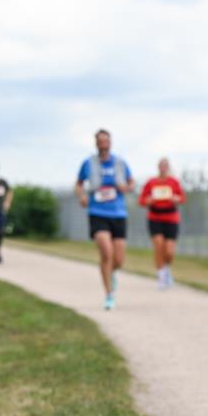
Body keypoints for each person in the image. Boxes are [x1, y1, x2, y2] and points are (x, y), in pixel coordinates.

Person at [75, 129, 134, 310]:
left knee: (119, 259)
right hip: (97, 212)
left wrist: (125, 187)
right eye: (100, 141)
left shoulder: (120, 162)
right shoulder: (88, 163)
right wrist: (82, 196)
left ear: (110, 143)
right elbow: (78, 184)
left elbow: (131, 183)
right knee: (106, 252)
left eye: (106, 141)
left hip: (118, 213)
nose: (103, 144)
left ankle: (111, 273)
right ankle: (109, 295)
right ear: (96, 143)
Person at [138, 157, 186, 289]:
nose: (163, 168)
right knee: (159, 245)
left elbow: (182, 198)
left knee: (169, 251)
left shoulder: (174, 182)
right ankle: (161, 276)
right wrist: (148, 200)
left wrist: (176, 198)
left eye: (166, 165)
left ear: (168, 167)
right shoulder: (151, 182)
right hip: (155, 217)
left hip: (171, 218)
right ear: (158, 167)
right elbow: (141, 200)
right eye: (161, 165)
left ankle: (166, 269)